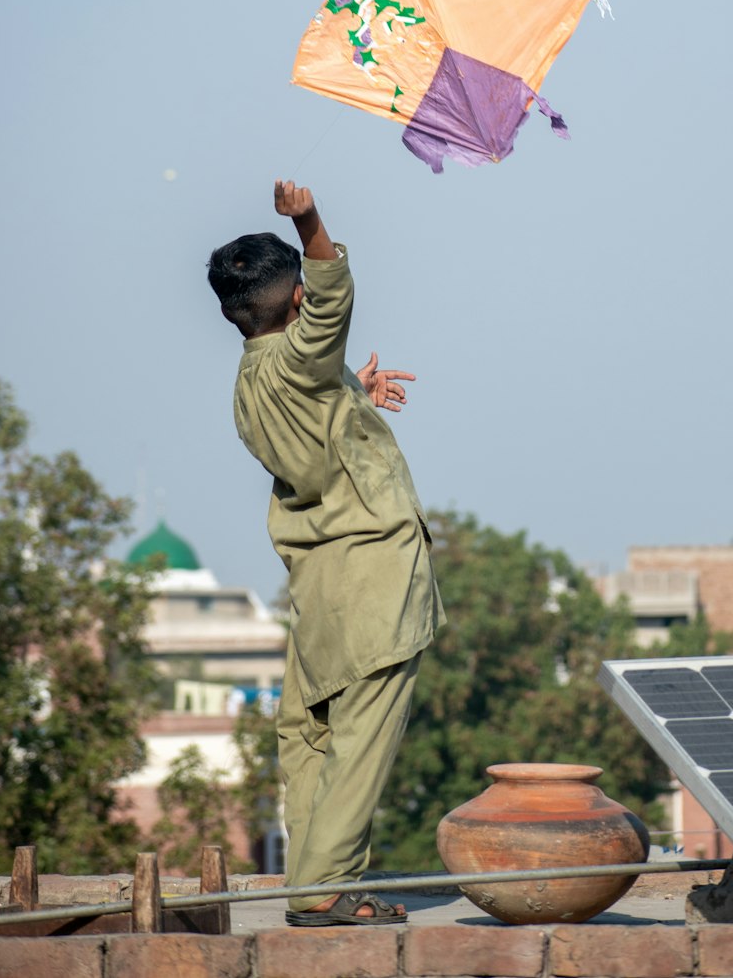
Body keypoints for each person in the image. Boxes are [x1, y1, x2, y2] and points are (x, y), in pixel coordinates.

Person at [207, 179, 444, 927]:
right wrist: (307, 219)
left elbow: (312, 438)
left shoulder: (250, 385)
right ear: (297, 304)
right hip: (372, 571)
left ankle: (309, 885)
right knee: (363, 736)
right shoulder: (306, 356)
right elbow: (332, 289)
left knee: (311, 734)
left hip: (317, 584)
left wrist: (354, 394)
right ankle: (326, 890)